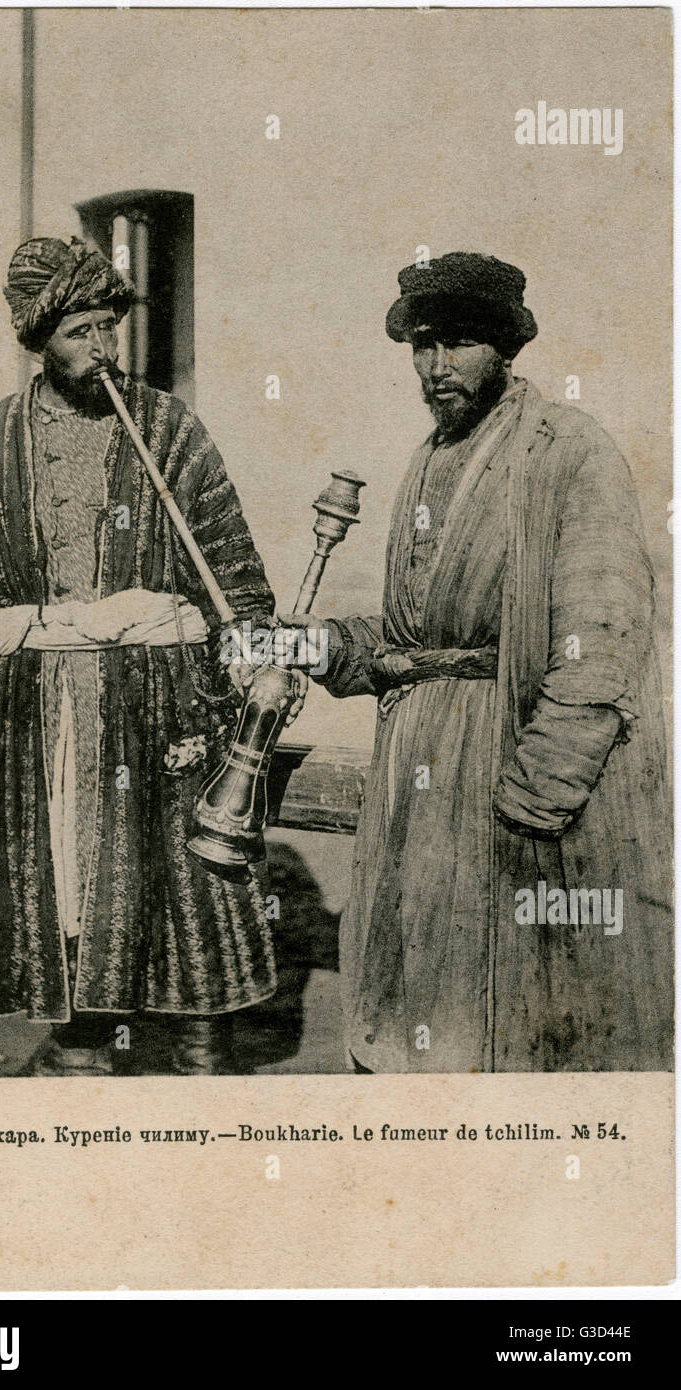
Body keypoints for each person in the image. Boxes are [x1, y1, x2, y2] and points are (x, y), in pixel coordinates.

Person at [0, 235, 302, 1076]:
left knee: (186, 880)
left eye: (107, 327)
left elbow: (230, 560)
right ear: (39, 339)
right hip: (41, 704)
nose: (100, 348)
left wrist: (251, 650)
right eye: (78, 332)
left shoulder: (168, 429)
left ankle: (201, 1042)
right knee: (66, 874)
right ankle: (81, 1044)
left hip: (164, 697)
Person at [284, 251, 672, 1073]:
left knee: (514, 1028)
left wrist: (535, 800)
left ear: (504, 346)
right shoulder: (431, 458)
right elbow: (419, 641)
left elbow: (599, 640)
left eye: (457, 344)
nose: (435, 367)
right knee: (419, 1019)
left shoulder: (566, 451)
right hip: (417, 788)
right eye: (421, 345)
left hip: (507, 789)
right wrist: (325, 646)